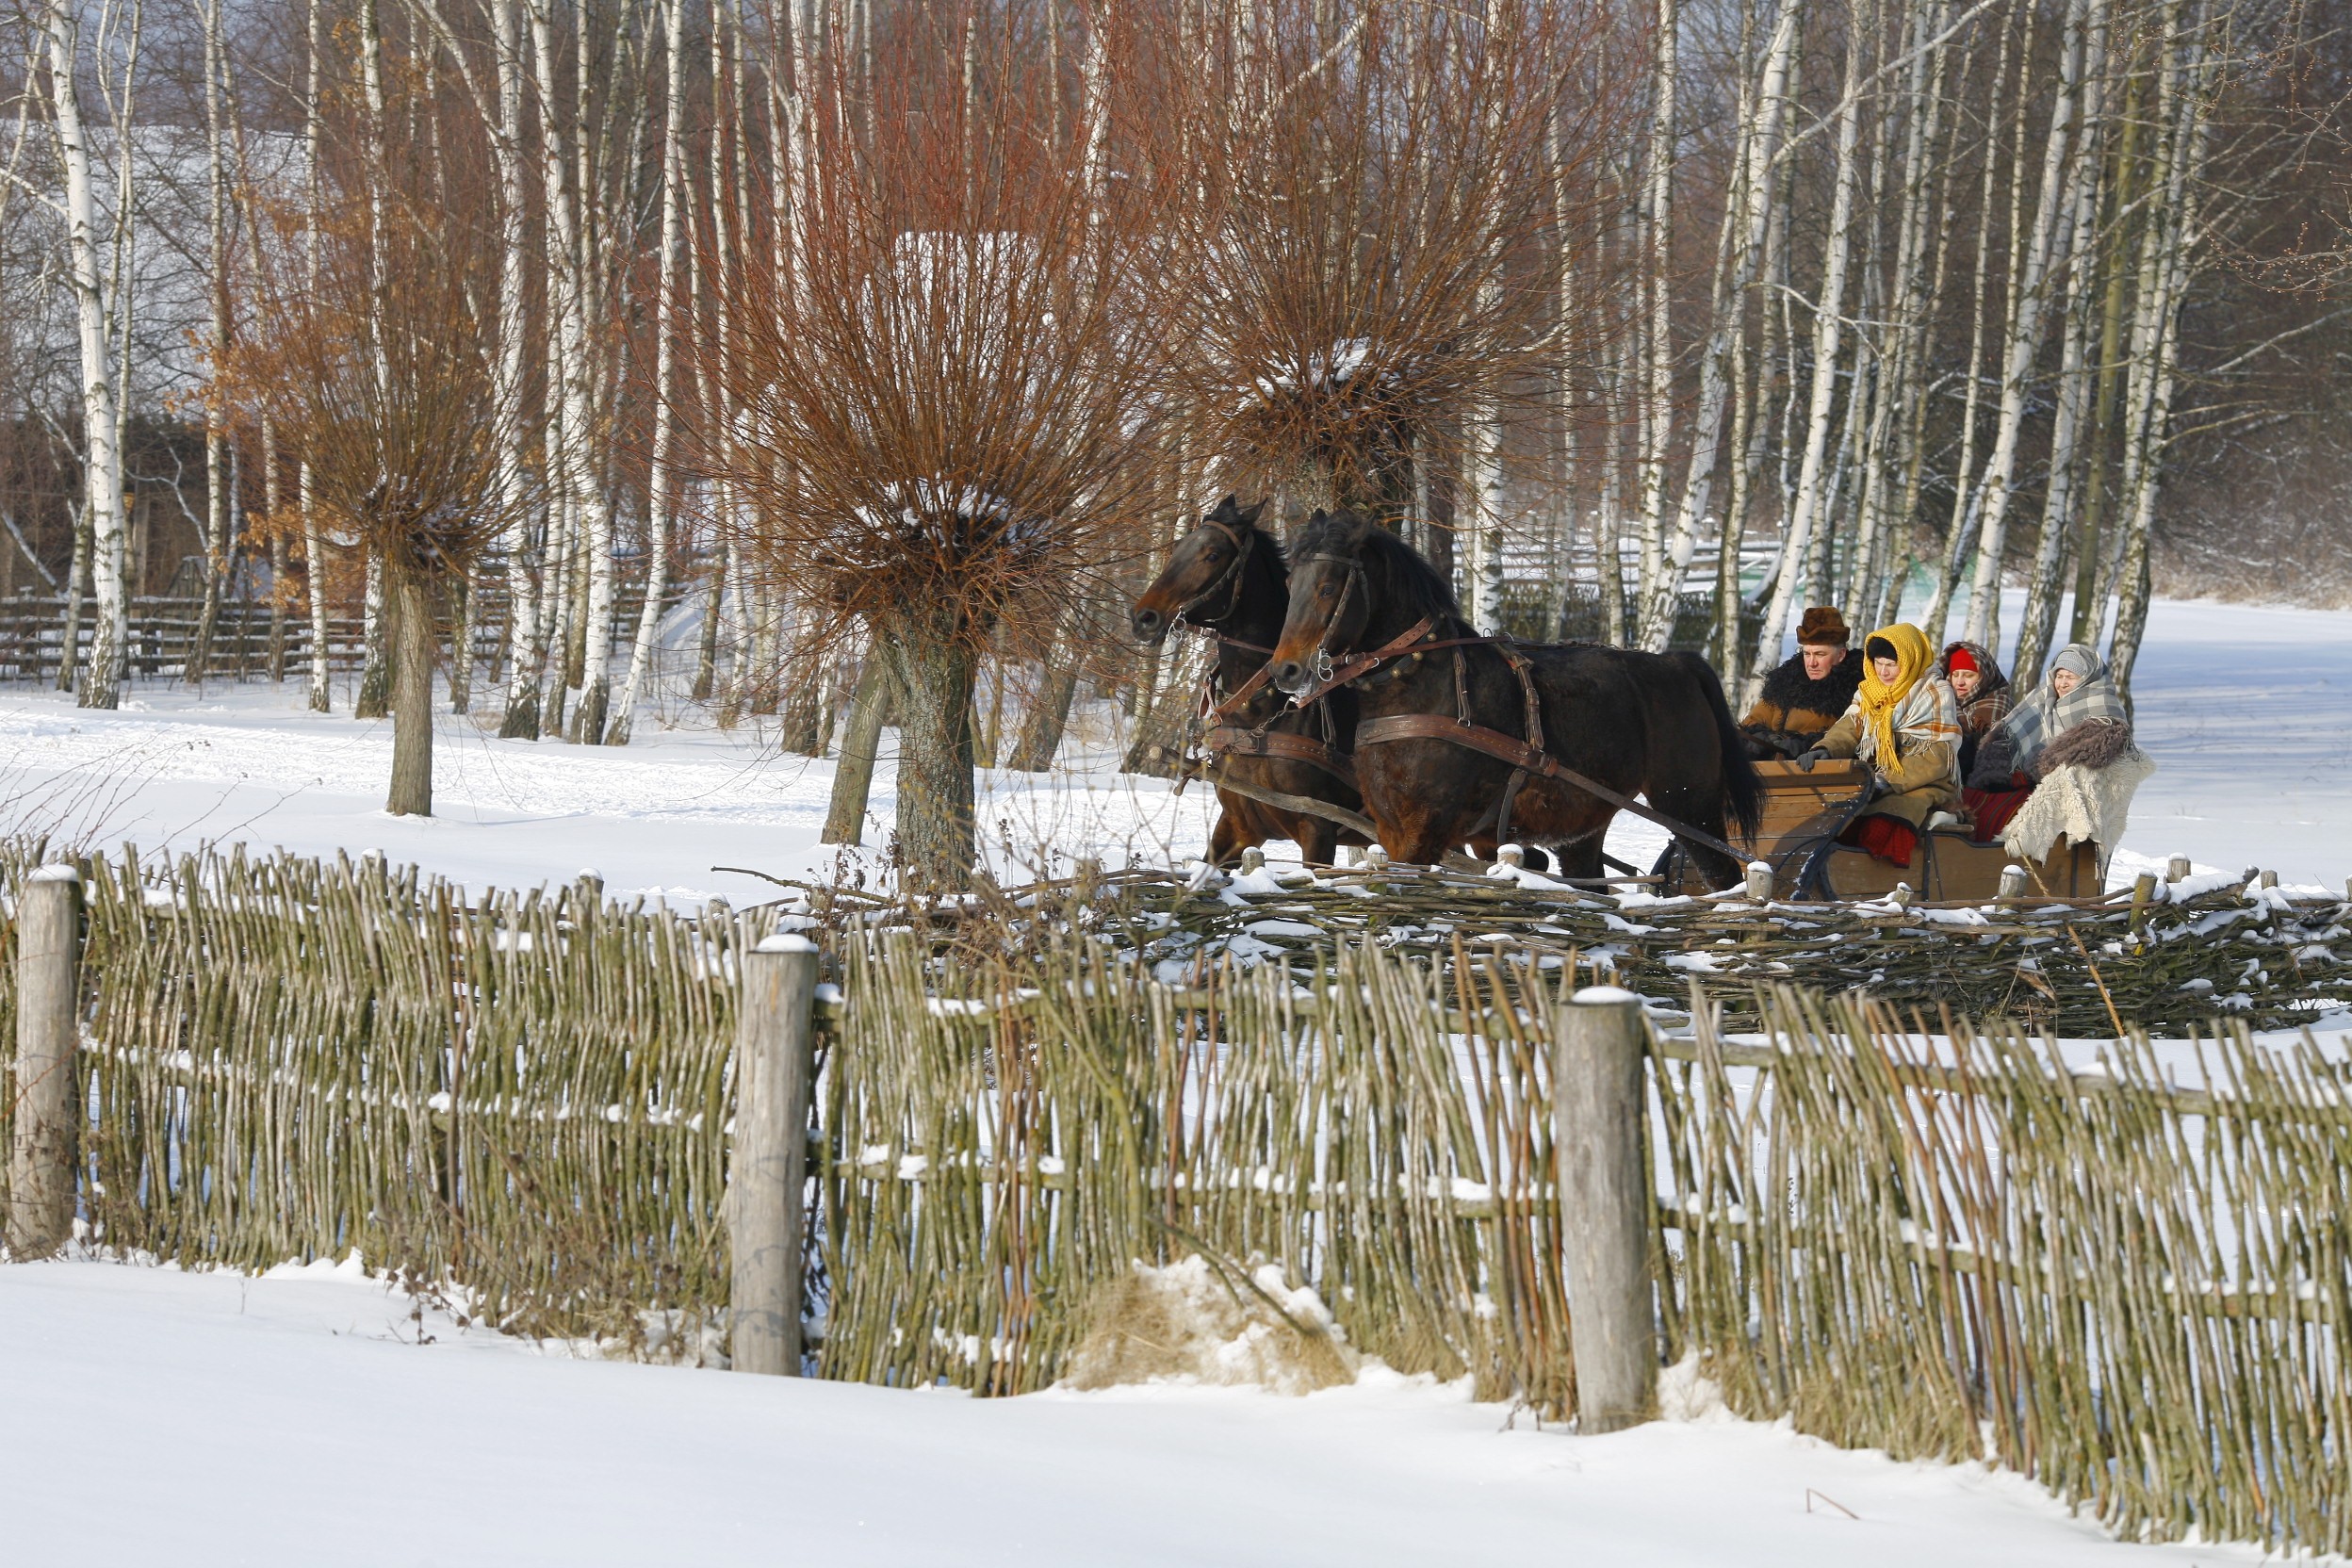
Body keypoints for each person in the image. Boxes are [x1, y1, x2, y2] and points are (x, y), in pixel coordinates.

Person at [1794, 623, 1961, 867]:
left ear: (1910, 660)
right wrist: (1825, 749)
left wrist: (1885, 781)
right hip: (1872, 780)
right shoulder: (1869, 692)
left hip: (1921, 783)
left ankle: (1879, 879)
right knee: (1832, 819)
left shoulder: (1934, 692)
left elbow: (1936, 757)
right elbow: (1850, 728)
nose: (1883, 671)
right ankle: (1831, 871)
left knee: (1884, 822)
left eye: (1891, 664)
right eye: (1878, 663)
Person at [1964, 642, 2135, 841]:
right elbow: (2005, 736)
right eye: (2059, 676)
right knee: (1974, 799)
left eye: (2070, 678)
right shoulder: (2042, 699)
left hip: (2068, 795)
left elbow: (2086, 757)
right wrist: (2000, 773)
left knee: (2008, 814)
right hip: (2027, 784)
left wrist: (2033, 773)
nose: (2061, 684)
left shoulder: (2104, 710)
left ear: (2087, 679)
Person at [1740, 606, 1864, 760]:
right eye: (1807, 654)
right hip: (1770, 777)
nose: (1811, 663)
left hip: (1825, 779)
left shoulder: (1857, 691)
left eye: (1820, 654)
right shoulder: (1784, 683)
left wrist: (1807, 745)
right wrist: (1759, 737)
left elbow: (1851, 736)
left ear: (1841, 655)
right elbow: (1752, 722)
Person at [1937, 640, 2012, 778]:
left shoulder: (1996, 709)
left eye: (1968, 675)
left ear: (1984, 677)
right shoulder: (1940, 701)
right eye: (1955, 674)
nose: (1959, 682)